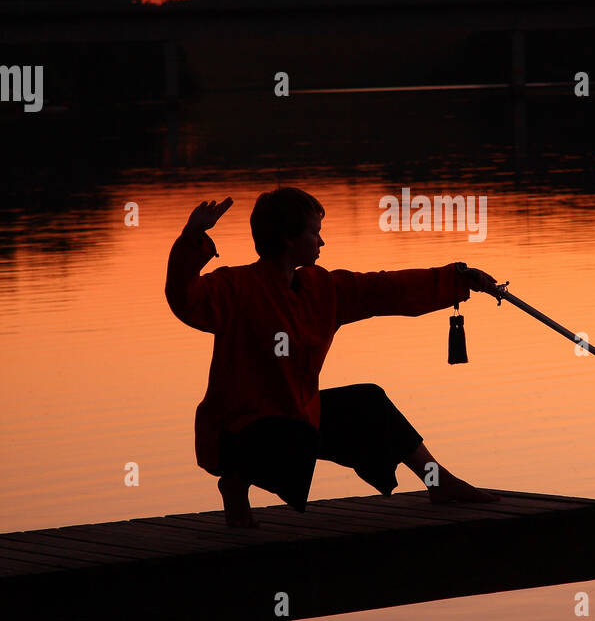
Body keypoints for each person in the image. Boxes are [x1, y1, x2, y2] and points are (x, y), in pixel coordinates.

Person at [165, 187, 502, 527]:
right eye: (315, 233)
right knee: (292, 433)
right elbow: (184, 298)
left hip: (298, 416)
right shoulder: (234, 288)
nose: (322, 242)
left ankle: (438, 481)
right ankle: (237, 483)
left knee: (369, 401)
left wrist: (457, 278)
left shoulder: (322, 288)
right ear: (287, 238)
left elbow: (386, 289)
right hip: (238, 431)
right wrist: (192, 236)